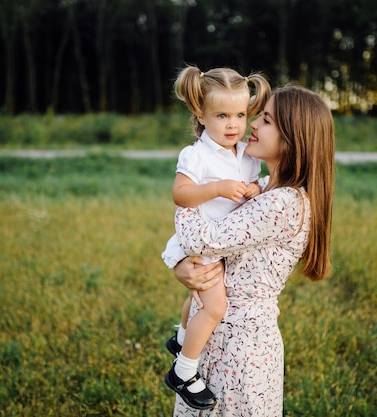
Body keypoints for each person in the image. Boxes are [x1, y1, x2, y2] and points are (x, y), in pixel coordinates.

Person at [166, 85, 336, 416]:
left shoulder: (284, 202)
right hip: (218, 335)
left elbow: (204, 241)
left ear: (293, 137)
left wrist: (188, 195)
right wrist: (184, 269)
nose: (253, 125)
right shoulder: (265, 189)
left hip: (240, 348)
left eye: (267, 119)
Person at [161, 65, 271, 410]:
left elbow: (255, 186)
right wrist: (217, 189)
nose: (233, 125)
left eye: (240, 114)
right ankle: (185, 370)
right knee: (215, 306)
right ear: (200, 113)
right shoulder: (196, 155)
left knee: (198, 300)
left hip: (223, 244)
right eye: (222, 115)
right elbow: (181, 195)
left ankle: (181, 339)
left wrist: (254, 188)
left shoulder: (244, 153)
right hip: (201, 243)